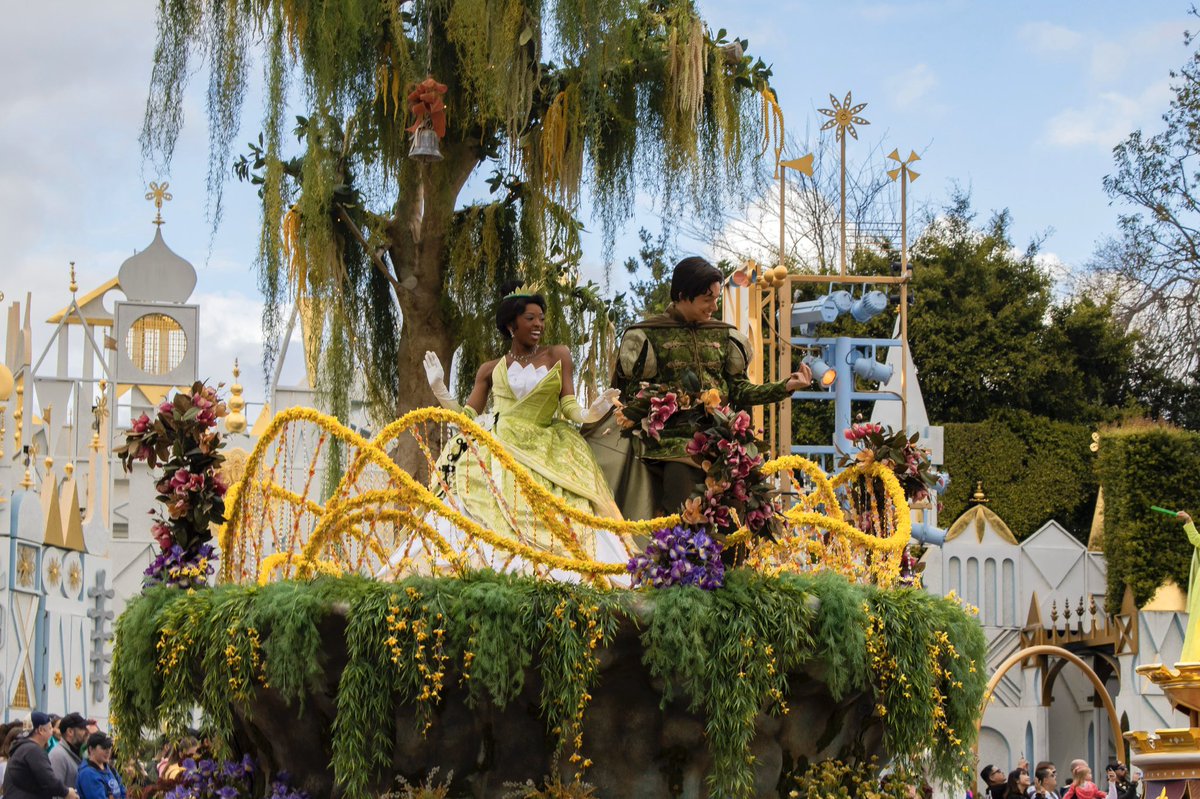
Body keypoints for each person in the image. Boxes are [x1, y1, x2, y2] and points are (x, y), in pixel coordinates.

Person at [384, 282, 630, 577]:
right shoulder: (490, 369)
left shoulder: (559, 355)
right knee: (473, 502)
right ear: (511, 325)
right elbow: (466, 417)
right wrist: (439, 389)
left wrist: (592, 412)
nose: (538, 324)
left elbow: (568, 407)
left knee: (566, 512)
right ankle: (483, 571)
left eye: (541, 318)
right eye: (530, 318)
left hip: (547, 448)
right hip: (497, 446)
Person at [602, 257, 813, 519]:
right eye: (707, 299)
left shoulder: (724, 335)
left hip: (723, 446)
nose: (714, 306)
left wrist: (785, 386)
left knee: (738, 515)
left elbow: (740, 390)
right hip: (670, 449)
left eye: (716, 298)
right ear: (682, 296)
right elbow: (631, 399)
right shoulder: (646, 335)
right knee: (682, 516)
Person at [2, 712, 78, 799]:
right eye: (50, 727)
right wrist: (67, 792)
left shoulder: (22, 748)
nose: (52, 730)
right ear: (41, 730)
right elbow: (49, 780)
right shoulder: (33, 750)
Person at [48, 715, 89, 798]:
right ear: (70, 732)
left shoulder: (80, 753)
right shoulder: (58, 755)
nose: (86, 732)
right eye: (82, 729)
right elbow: (55, 793)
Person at [75, 734, 125, 799]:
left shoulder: (110, 768)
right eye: (104, 747)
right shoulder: (87, 773)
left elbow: (124, 792)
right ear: (91, 749)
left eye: (109, 747)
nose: (108, 751)